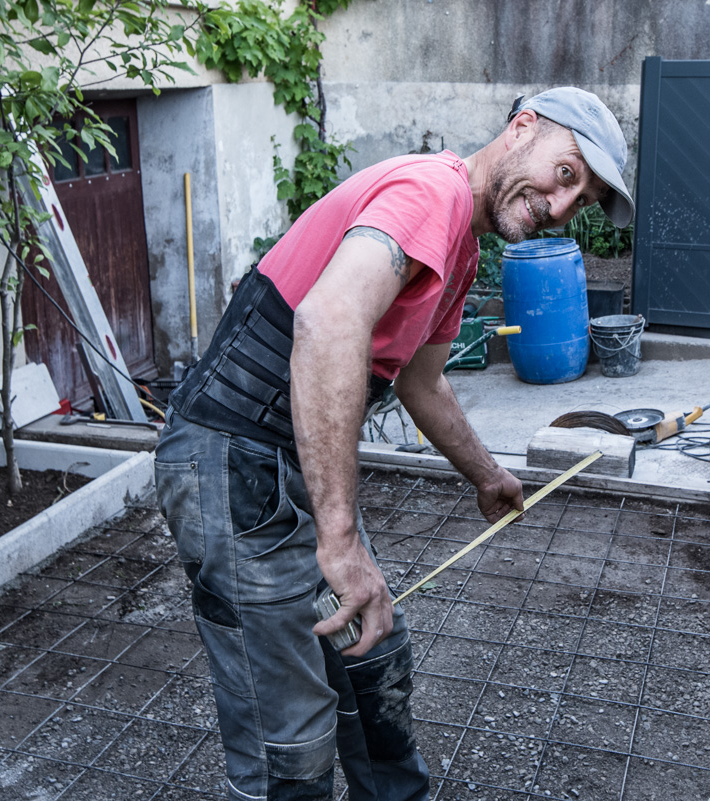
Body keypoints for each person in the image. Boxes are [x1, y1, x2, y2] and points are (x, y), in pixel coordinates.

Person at [153, 87, 635, 801]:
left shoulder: (461, 247)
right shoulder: (428, 193)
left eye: (582, 200)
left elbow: (423, 382)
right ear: (523, 129)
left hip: (279, 465)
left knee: (374, 654)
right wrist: (340, 542)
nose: (561, 207)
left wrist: (486, 474)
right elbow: (328, 322)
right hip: (230, 458)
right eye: (566, 175)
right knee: (288, 733)